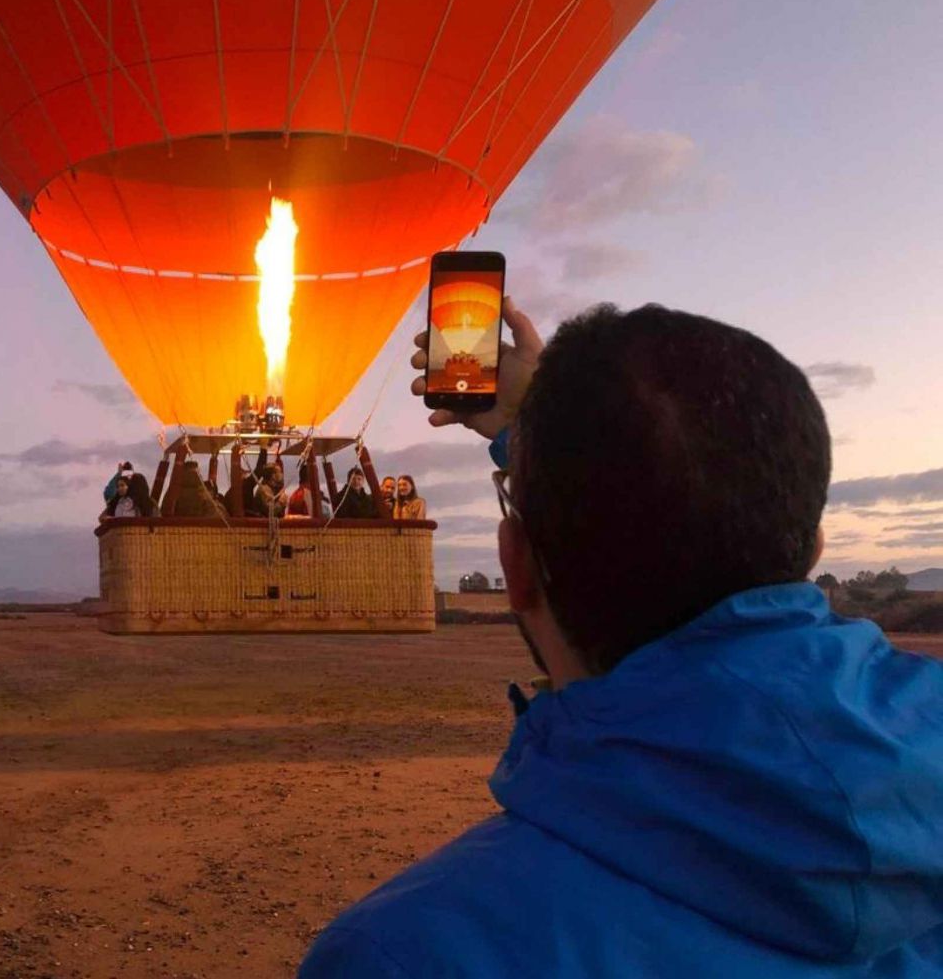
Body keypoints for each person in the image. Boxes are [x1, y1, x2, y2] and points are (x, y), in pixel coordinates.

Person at [300, 298, 943, 977]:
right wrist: (544, 428)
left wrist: (543, 434)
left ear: (513, 566)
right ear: (814, 548)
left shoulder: (402, 954)